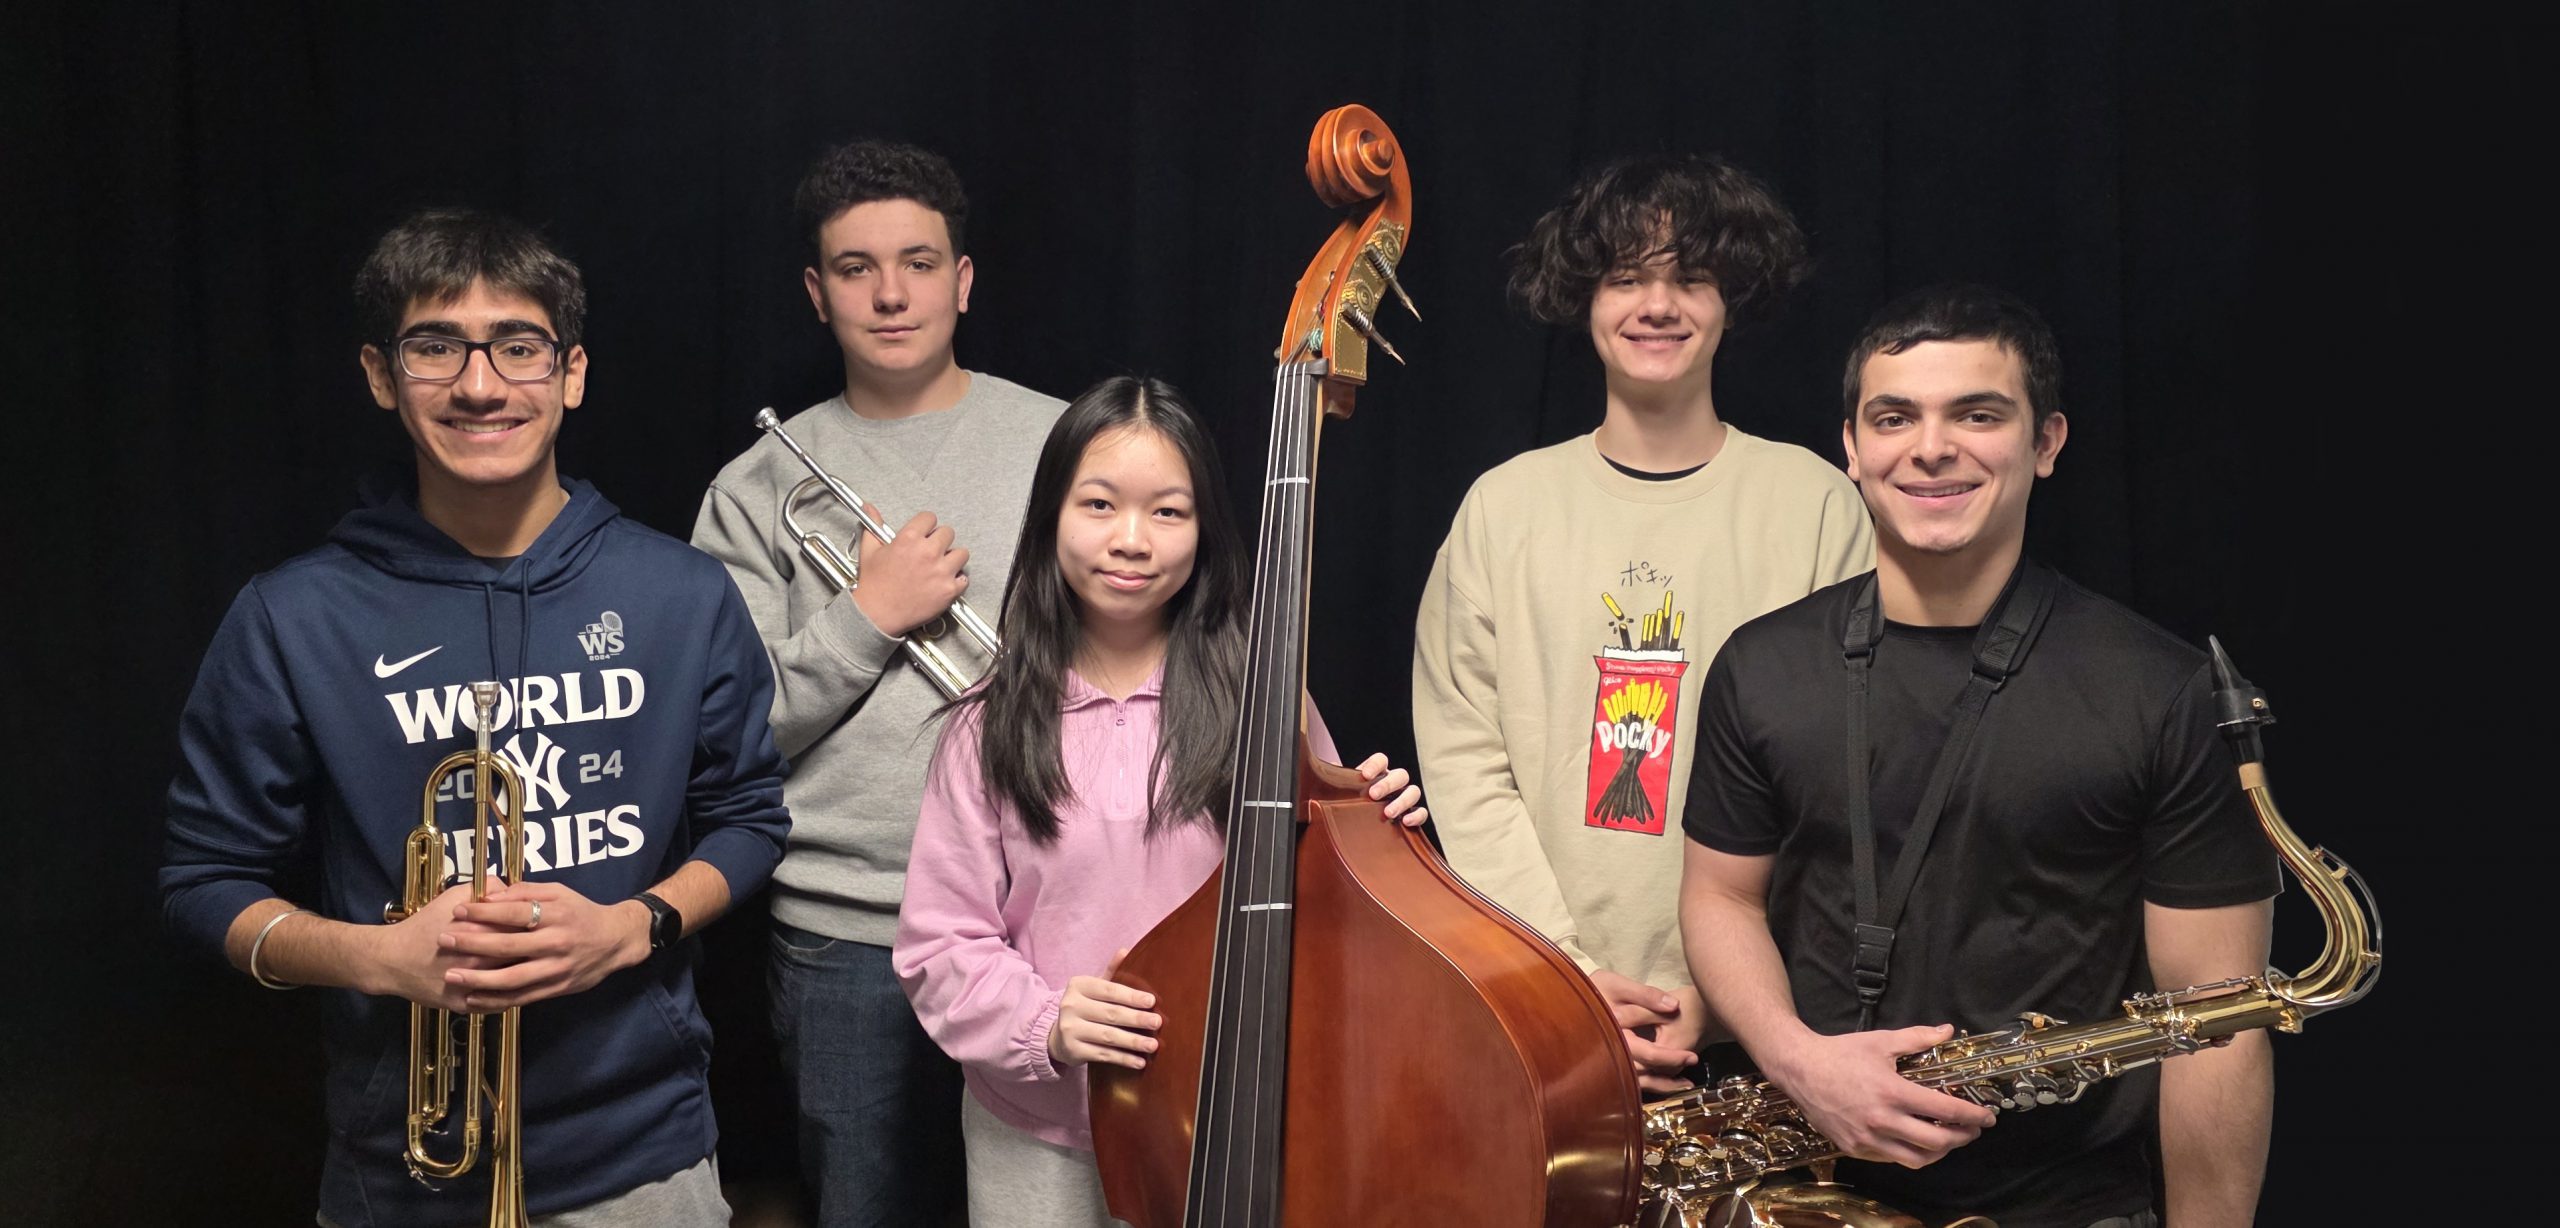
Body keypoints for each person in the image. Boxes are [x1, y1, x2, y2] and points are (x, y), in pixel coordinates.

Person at [159, 208, 792, 1227]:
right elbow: (202, 881)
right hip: (396, 1175)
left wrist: (634, 927)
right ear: (379, 375)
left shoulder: (682, 592)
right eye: (435, 346)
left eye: (518, 346)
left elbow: (751, 819)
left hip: (647, 1161)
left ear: (571, 372)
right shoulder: (294, 614)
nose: (480, 383)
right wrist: (377, 955)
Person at [1680, 284, 2280, 1228]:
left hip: (2064, 1206)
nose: (1929, 447)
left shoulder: (2165, 691)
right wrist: (1797, 1059)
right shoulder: (1759, 665)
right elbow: (1720, 896)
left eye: (1978, 414)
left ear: (2046, 444)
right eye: (1894, 417)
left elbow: (2219, 1027)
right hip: (1801, 1194)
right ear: (1851, 445)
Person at [892, 376, 1426, 1228]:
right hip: (1041, 1135)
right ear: (1051, 518)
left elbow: (1331, 916)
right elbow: (938, 943)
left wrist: (1376, 835)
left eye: (1168, 512)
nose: (1131, 540)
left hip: (1227, 1119)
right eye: (1099, 504)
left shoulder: (1267, 703)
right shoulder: (987, 725)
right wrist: (1046, 1022)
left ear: (1205, 528)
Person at [1411, 153, 1874, 1093]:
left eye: (1689, 276)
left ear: (1729, 299)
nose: (1656, 304)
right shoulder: (1504, 507)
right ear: (1584, 297)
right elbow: (1464, 757)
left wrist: (1729, 977)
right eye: (1626, 276)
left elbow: (1848, 773)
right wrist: (1563, 973)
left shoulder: (1816, 504)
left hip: (1763, 1021)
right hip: (1533, 1000)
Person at [690, 137, 1063, 1227]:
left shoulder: (1061, 441)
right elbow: (727, 733)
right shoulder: (757, 485)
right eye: (855, 268)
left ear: (964, 279)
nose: (890, 292)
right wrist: (866, 615)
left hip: (1049, 919)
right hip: (853, 936)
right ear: (817, 293)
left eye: (916, 261)